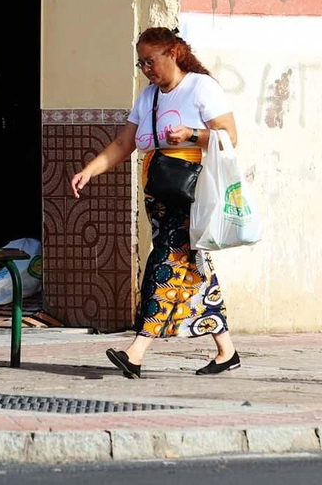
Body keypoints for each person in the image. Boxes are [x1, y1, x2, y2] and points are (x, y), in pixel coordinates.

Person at [70, 27, 242, 377]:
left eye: (151, 61)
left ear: (173, 53)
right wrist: (90, 170)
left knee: (164, 264)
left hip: (191, 192)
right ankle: (227, 350)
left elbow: (230, 136)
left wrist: (192, 134)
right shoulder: (147, 96)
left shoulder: (200, 87)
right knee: (191, 267)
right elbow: (124, 143)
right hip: (159, 194)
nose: (147, 69)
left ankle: (136, 351)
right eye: (141, 63)